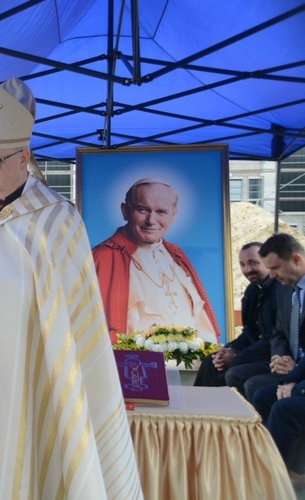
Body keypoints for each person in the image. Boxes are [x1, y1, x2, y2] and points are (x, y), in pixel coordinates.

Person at [0, 78, 141, 499]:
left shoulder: (58, 219)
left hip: (22, 380)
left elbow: (74, 311)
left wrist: (7, 288)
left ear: (25, 157)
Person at [92, 178, 220, 344]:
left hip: (189, 360)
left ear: (173, 216)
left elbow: (199, 315)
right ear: (125, 211)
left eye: (161, 212)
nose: (151, 220)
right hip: (135, 365)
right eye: (142, 210)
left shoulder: (176, 255)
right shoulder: (103, 256)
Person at [252, 233, 305, 491]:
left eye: (274, 268)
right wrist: (285, 369)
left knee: (286, 406)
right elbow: (279, 332)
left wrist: (296, 383)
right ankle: (284, 469)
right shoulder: (287, 289)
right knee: (265, 395)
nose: (270, 275)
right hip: (298, 369)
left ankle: (274, 481)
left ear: (296, 259)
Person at [194, 242, 280, 391]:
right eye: (243, 264)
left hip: (275, 354)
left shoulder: (280, 289)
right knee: (212, 361)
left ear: (268, 262)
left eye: (253, 263)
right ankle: (201, 412)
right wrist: (229, 349)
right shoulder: (252, 291)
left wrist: (237, 354)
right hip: (257, 350)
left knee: (233, 367)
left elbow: (275, 336)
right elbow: (249, 332)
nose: (248, 269)